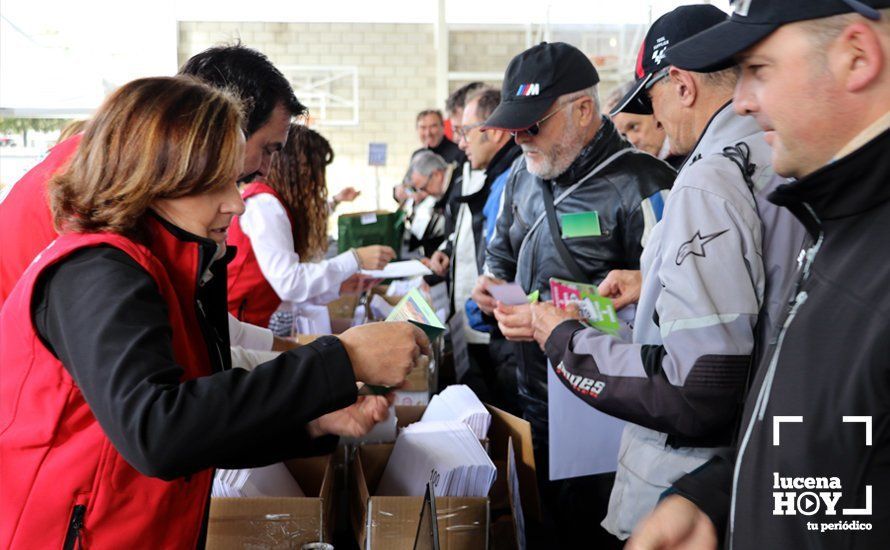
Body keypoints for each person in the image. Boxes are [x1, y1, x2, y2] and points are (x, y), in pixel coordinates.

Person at [0, 76, 429, 549]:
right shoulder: (97, 271)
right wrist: (340, 361)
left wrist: (313, 421)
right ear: (159, 177)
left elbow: (202, 424)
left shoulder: (159, 268)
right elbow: (159, 431)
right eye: (218, 182)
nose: (237, 202)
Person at [528, 4, 805, 541]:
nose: (652, 119)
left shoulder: (708, 180)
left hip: (685, 492)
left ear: (680, 85)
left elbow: (697, 386)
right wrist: (649, 284)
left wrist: (564, 340)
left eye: (649, 98)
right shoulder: (778, 153)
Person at [626, 1, 890, 549]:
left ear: (857, 56)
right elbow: (835, 445)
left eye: (759, 69)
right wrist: (717, 496)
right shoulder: (838, 223)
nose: (741, 101)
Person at [470, 41, 675, 548]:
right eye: (513, 127)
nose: (520, 140)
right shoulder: (521, 173)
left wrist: (559, 316)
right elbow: (500, 251)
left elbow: (669, 312)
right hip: (531, 395)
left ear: (584, 110)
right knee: (539, 526)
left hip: (608, 414)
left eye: (532, 125)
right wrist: (493, 287)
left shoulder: (645, 184)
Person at [0, 44, 302, 353]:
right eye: (267, 149)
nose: (264, 170)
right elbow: (149, 373)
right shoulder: (106, 186)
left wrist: (301, 355)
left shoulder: (124, 166)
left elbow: (192, 324)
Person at [227, 123, 395, 329]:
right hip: (239, 326)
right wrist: (356, 258)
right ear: (298, 168)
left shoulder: (273, 204)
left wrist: (338, 286)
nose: (318, 180)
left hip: (251, 322)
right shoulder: (265, 206)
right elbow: (290, 284)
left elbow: (286, 292)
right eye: (316, 170)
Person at [451, 87, 522, 411]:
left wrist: (480, 309)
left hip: (512, 336)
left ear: (493, 132)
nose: (461, 142)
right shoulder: (499, 179)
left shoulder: (513, 181)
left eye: (466, 132)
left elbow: (510, 267)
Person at [605, 81, 685, 169]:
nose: (631, 140)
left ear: (656, 115)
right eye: (623, 135)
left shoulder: (689, 152)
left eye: (634, 127)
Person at [406, 151, 455, 258]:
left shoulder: (456, 192)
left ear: (437, 175)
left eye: (423, 188)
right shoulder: (448, 193)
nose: (424, 194)